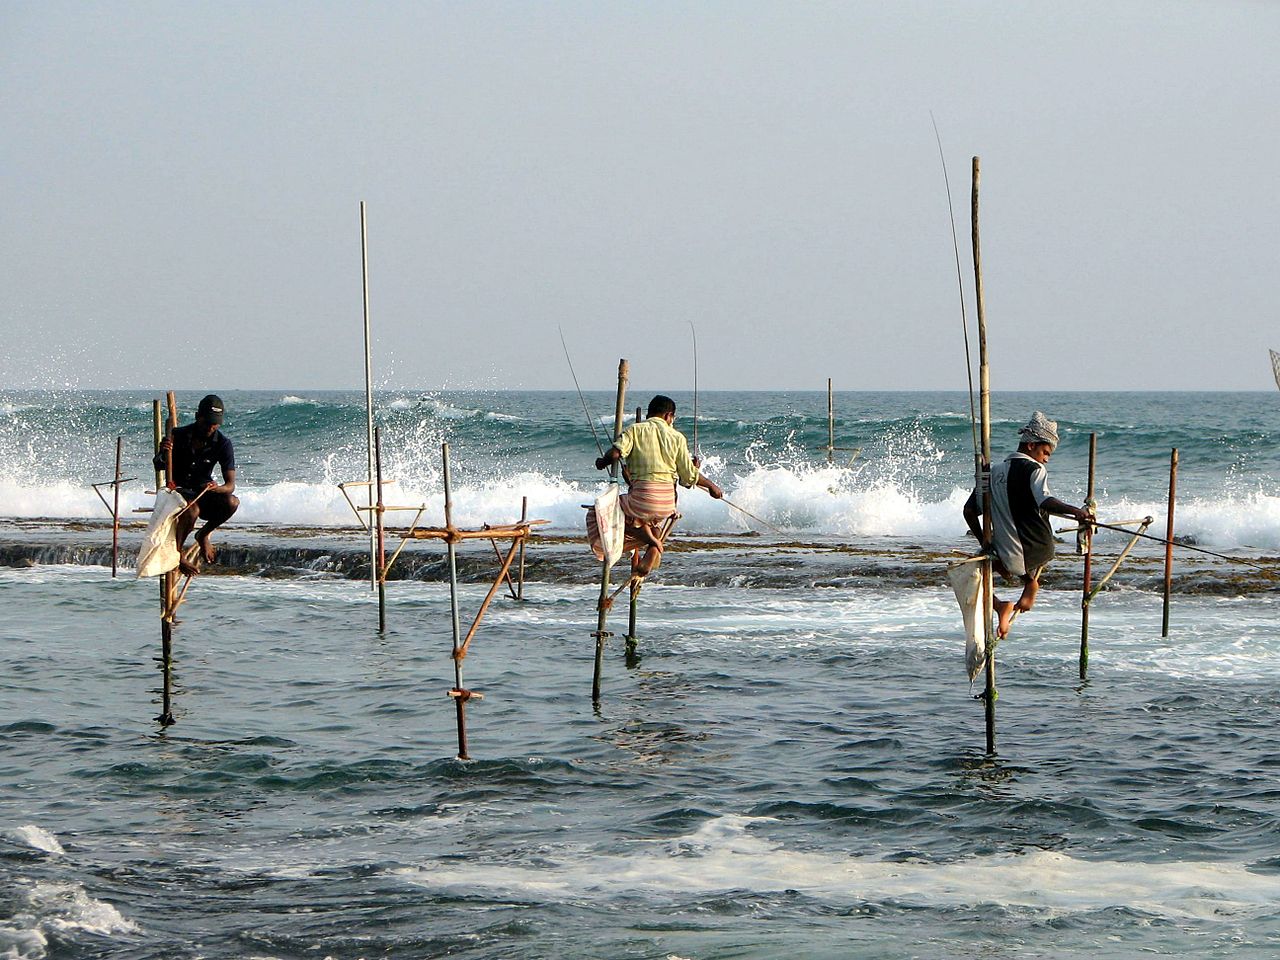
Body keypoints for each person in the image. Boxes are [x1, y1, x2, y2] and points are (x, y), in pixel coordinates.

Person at [963, 411, 1092, 638]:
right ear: (1031, 445)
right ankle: (1028, 584)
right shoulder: (1035, 469)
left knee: (970, 577)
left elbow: (970, 511)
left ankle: (1010, 596)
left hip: (1008, 550)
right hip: (1036, 547)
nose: (1046, 459)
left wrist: (984, 540)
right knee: (994, 567)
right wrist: (1075, 511)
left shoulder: (993, 472)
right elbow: (1045, 500)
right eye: (1045, 452)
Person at [593, 394, 723, 575]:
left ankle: (652, 542)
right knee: (648, 520)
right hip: (667, 504)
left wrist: (601, 462)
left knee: (601, 511)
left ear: (651, 413)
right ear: (668, 416)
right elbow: (688, 477)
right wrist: (712, 487)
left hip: (642, 500)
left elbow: (615, 454)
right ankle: (653, 545)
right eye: (673, 419)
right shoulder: (677, 437)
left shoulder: (635, 430)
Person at [155, 394, 239, 576]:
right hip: (177, 491)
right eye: (207, 422)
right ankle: (178, 554)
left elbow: (230, 485)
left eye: (215, 423)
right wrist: (164, 452)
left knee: (232, 502)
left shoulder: (223, 443)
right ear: (197, 416)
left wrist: (215, 488)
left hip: (202, 492)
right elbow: (159, 465)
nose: (211, 427)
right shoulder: (178, 435)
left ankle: (203, 534)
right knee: (192, 510)